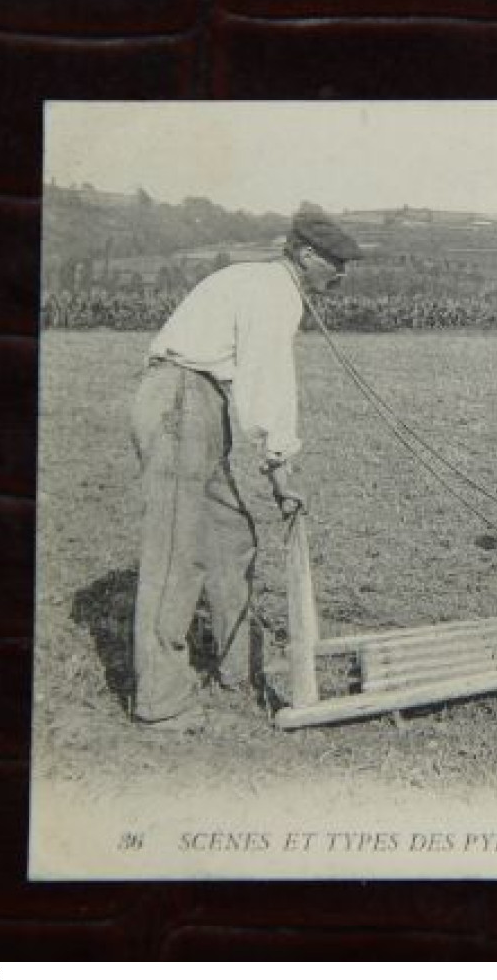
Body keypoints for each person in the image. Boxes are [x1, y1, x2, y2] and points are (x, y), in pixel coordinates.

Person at [128, 204, 359, 725]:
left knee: (229, 537)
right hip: (181, 401)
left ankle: (239, 666)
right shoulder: (273, 292)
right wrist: (280, 469)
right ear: (305, 254)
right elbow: (265, 383)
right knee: (175, 553)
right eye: (335, 263)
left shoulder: (268, 285)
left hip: (199, 405)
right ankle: (161, 702)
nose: (343, 274)